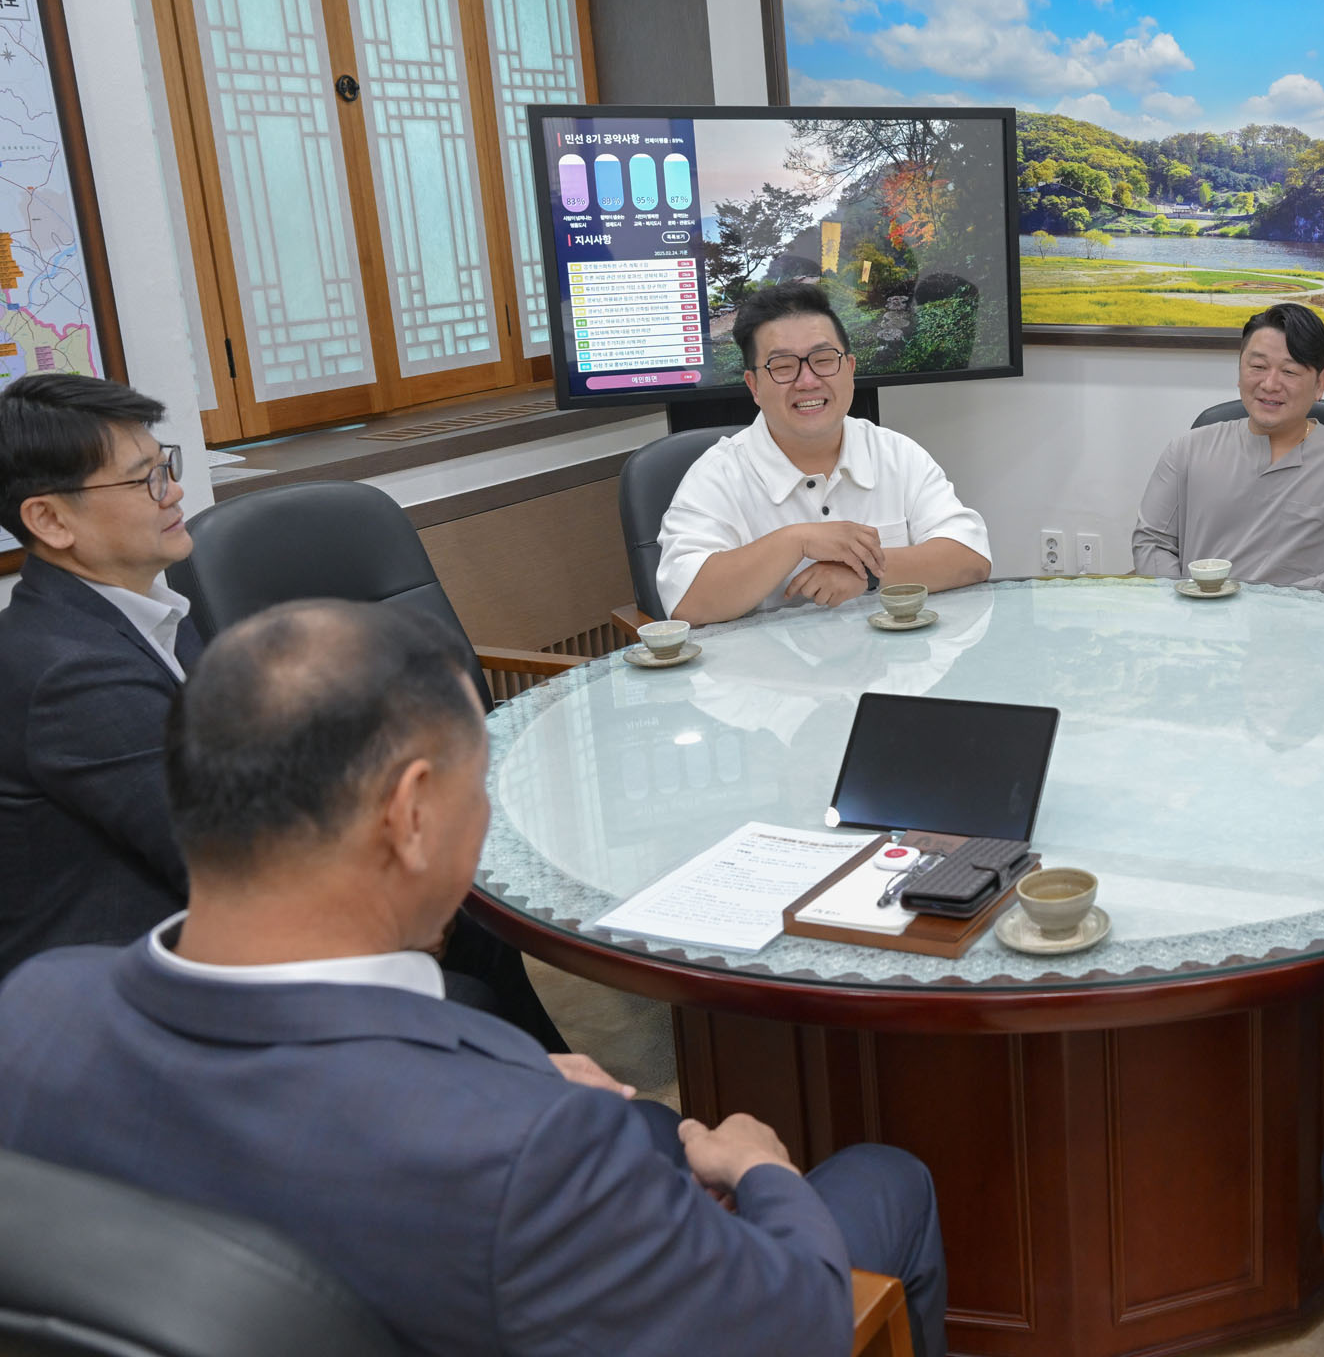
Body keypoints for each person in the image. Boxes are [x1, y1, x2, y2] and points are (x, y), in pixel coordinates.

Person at [0, 599, 949, 1357]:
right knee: (884, 1177)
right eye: (479, 787)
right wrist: (761, 1168)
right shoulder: (529, 1152)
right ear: (412, 813)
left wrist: (510, 1086)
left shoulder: (36, 1010)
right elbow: (793, 1324)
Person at [0, 374, 198, 980]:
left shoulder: (153, 613)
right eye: (145, 480)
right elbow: (226, 861)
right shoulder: (72, 674)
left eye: (164, 466)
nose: (174, 490)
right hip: (120, 984)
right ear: (50, 520)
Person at [657, 281, 992, 624]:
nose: (808, 381)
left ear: (850, 369)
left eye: (823, 360)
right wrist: (795, 541)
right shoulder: (716, 476)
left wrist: (867, 573)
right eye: (783, 366)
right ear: (753, 386)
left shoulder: (897, 454)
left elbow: (971, 557)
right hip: (769, 660)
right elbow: (687, 602)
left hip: (893, 656)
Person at [1132, 303, 1324, 596]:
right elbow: (1152, 542)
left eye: (1289, 371)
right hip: (1196, 617)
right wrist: (1179, 597)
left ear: (1320, 384)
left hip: (1301, 620)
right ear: (1240, 371)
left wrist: (1288, 602)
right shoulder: (1187, 450)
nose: (1270, 384)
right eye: (1258, 367)